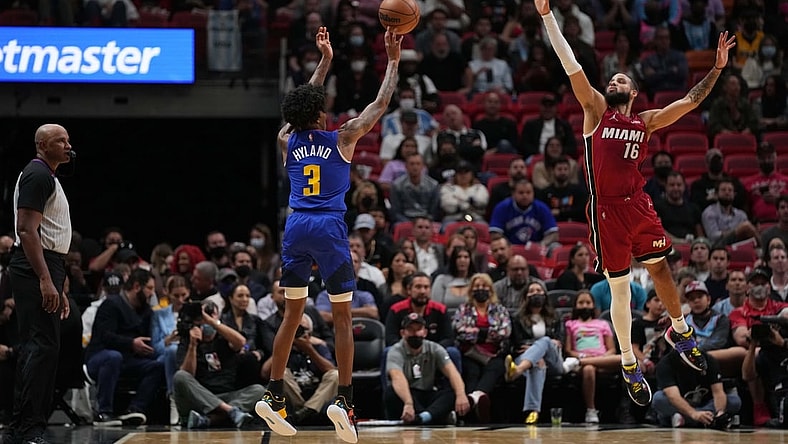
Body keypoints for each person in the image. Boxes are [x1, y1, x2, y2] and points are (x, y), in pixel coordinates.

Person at [536, 0, 736, 408]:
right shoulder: (595, 111)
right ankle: (629, 361)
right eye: (612, 78)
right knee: (621, 290)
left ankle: (680, 330)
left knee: (661, 267)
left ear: (633, 91)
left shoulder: (645, 121)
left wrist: (716, 69)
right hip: (606, 209)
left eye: (621, 79)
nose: (614, 81)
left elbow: (690, 103)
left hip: (638, 204)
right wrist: (546, 16)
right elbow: (569, 61)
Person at [255, 26, 402, 444]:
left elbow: (302, 105)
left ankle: (274, 393)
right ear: (320, 114)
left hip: (295, 225)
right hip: (329, 227)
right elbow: (381, 102)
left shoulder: (287, 139)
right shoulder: (344, 136)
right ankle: (345, 400)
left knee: (292, 313)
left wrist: (324, 62)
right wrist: (392, 60)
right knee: (341, 316)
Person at [5, 124, 73, 444]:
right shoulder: (38, 175)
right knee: (41, 347)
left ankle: (22, 426)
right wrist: (46, 277)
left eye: (68, 140)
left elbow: (51, 232)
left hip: (48, 264)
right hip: (35, 266)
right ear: (43, 145)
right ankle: (28, 428)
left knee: (43, 347)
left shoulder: (48, 176)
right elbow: (27, 231)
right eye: (61, 140)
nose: (68, 144)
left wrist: (60, 278)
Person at [384, 313, 469, 425]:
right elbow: (397, 377)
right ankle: (434, 416)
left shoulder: (435, 348)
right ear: (403, 333)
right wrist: (409, 403)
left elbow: (452, 372)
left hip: (428, 393)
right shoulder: (395, 351)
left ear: (425, 332)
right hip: (407, 394)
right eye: (410, 330)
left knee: (453, 392)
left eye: (418, 329)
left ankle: (422, 418)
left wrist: (461, 394)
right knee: (391, 393)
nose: (415, 333)